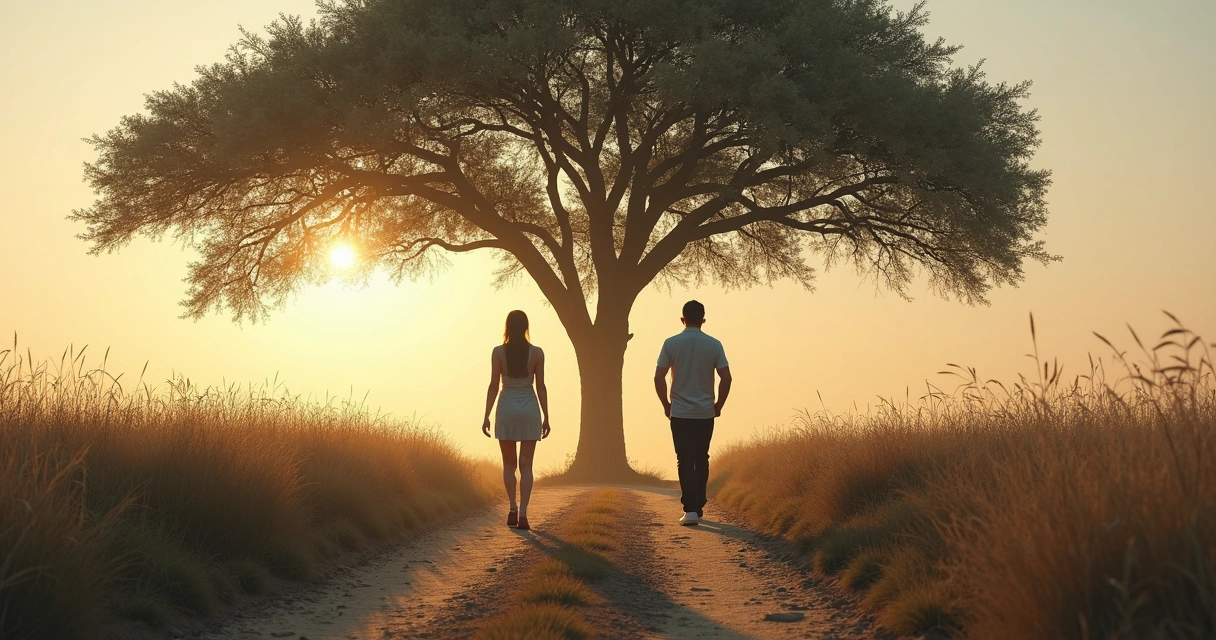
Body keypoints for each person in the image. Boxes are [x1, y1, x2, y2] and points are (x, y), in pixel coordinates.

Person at [654, 300, 732, 526]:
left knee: (684, 459)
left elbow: (659, 376)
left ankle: (690, 509)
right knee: (702, 457)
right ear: (703, 320)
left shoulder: (671, 343)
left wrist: (665, 405)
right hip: (705, 412)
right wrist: (719, 405)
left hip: (680, 412)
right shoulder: (714, 344)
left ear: (682, 319)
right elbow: (726, 377)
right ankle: (698, 503)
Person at [482, 310, 551, 530]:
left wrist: (486, 415)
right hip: (530, 408)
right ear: (525, 327)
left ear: (508, 327)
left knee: (509, 465)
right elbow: (540, 386)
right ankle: (523, 514)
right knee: (527, 466)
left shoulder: (498, 352)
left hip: (506, 408)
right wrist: (546, 415)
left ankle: (512, 508)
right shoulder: (537, 353)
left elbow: (494, 384)